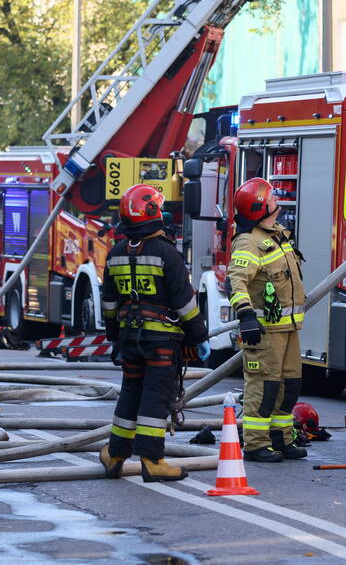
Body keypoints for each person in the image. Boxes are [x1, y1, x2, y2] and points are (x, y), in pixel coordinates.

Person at [97, 185, 209, 483]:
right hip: (160, 344)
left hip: (129, 342)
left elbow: (109, 303)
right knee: (155, 399)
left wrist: (114, 338)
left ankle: (115, 454)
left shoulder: (115, 254)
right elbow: (184, 304)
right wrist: (200, 337)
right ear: (152, 214)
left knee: (130, 395)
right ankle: (153, 460)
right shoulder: (167, 254)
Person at [226, 177, 307, 463]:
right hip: (265, 332)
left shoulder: (276, 235)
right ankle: (255, 443)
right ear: (261, 207)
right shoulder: (250, 242)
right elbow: (236, 282)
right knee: (264, 386)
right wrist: (246, 316)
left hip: (288, 329)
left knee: (289, 386)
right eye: (272, 198)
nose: (277, 200)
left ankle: (279, 438)